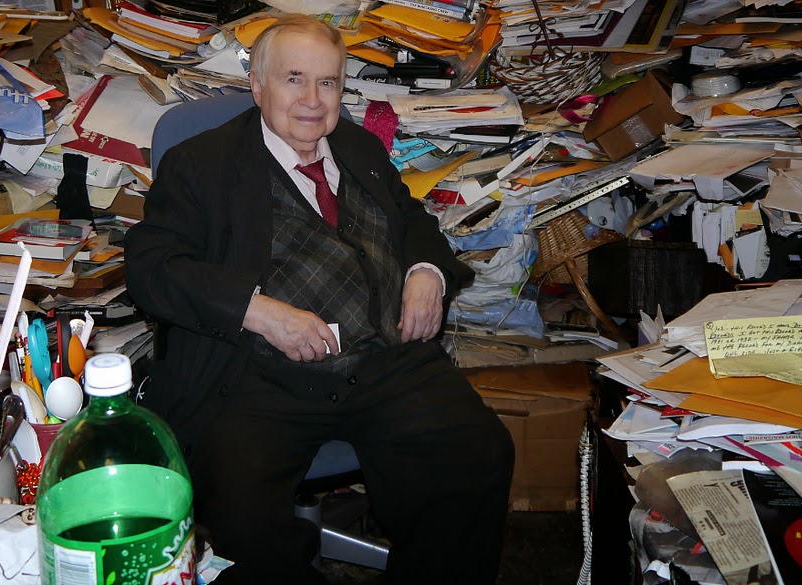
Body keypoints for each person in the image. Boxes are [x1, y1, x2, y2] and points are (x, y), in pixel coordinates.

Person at [125, 15, 514, 585]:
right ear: (258, 86)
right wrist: (259, 311)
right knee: (241, 518)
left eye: (327, 82)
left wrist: (427, 271)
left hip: (384, 357)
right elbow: (151, 266)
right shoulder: (200, 164)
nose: (312, 100)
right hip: (259, 374)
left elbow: (410, 218)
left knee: (478, 456)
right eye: (294, 79)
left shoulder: (357, 145)